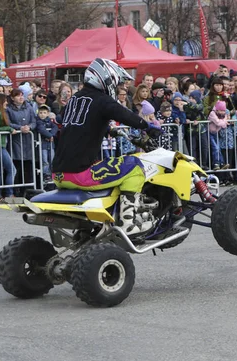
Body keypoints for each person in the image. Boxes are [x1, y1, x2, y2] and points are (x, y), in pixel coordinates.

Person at [51, 58, 161, 236]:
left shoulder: (75, 99)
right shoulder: (102, 100)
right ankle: (129, 223)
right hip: (81, 173)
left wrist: (109, 129)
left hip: (58, 173)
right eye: (116, 83)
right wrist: (148, 126)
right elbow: (125, 115)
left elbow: (79, 124)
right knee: (134, 166)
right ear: (106, 79)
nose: (117, 88)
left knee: (114, 166)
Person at [6, 88, 37, 196]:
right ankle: (17, 191)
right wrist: (20, 128)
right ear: (12, 98)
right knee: (17, 165)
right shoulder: (8, 109)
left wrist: (29, 127)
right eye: (18, 96)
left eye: (22, 95)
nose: (21, 98)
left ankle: (28, 190)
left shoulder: (28, 106)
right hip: (16, 140)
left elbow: (34, 120)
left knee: (28, 166)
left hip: (28, 139)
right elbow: (8, 123)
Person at [35, 104, 58, 182]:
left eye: (44, 113)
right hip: (43, 145)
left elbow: (55, 127)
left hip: (50, 145)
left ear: (48, 113)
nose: (42, 114)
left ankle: (53, 174)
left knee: (52, 159)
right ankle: (46, 175)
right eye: (41, 113)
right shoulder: (38, 121)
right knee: (45, 161)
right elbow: (41, 129)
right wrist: (49, 136)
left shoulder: (49, 121)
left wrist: (51, 135)